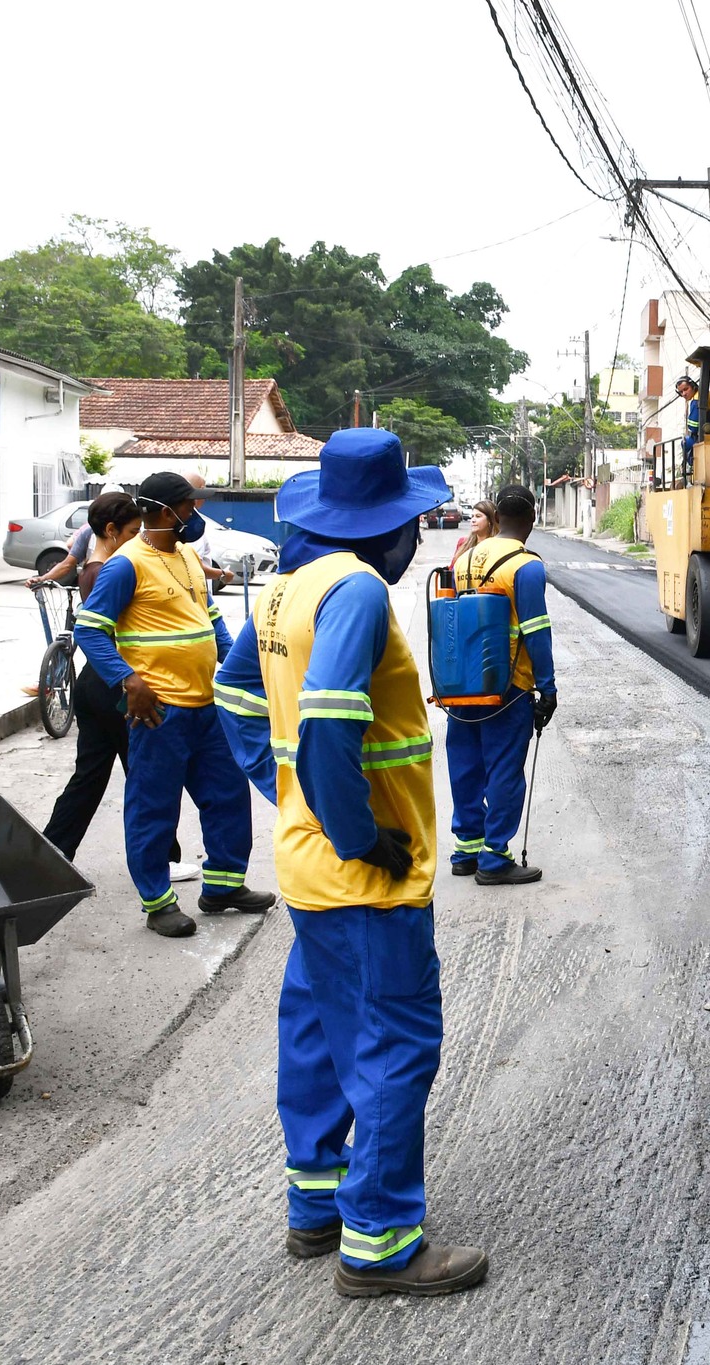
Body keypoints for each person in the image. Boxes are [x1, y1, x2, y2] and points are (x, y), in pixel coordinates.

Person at [213, 426, 488, 1298]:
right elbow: (331, 721)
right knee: (395, 1040)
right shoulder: (361, 591)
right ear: (391, 529)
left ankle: (316, 1201)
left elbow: (234, 696)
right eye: (414, 521)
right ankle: (379, 1241)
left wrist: (286, 790)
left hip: (308, 867)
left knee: (320, 1033)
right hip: (363, 873)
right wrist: (359, 831)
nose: (419, 537)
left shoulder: (284, 590)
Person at [75, 471, 272, 937]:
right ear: (166, 511)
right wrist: (127, 680)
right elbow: (90, 629)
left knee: (227, 796)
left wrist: (233, 665)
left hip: (208, 705)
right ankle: (158, 902)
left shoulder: (186, 554)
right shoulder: (127, 564)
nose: (195, 515)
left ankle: (224, 886)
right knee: (153, 806)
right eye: (189, 507)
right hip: (160, 711)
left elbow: (211, 619)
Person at [37, 491, 196, 882]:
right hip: (116, 687)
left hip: (96, 684)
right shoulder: (110, 569)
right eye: (131, 530)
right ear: (111, 530)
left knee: (89, 778)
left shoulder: (97, 567)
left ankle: (51, 854)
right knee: (147, 779)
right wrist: (129, 681)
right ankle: (165, 859)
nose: (140, 536)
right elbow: (97, 633)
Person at [446, 485, 556, 886]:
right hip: (509, 684)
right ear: (530, 519)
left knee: (467, 765)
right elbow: (536, 629)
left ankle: (466, 851)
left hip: (461, 680)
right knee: (505, 769)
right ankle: (494, 859)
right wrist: (548, 687)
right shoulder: (525, 565)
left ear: (499, 518)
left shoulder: (466, 558)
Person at [447, 500, 498, 573]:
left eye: (478, 516)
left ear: (490, 520)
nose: (473, 520)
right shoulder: (463, 542)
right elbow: (452, 570)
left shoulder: (498, 545)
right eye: (472, 516)